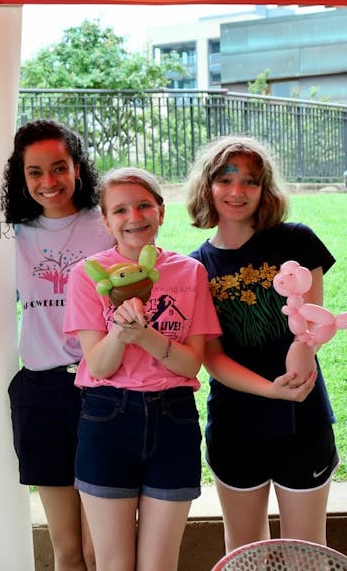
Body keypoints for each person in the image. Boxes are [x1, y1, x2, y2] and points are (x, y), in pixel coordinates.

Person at [63, 167, 221, 571]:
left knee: (159, 564)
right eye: (119, 210)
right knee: (114, 563)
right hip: (107, 416)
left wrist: (146, 334)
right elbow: (99, 364)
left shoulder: (190, 272)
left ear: (161, 211)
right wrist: (120, 330)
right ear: (105, 221)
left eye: (143, 205)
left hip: (174, 418)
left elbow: (191, 363)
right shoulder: (87, 276)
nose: (134, 217)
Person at [184, 135, 336, 552]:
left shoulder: (296, 240)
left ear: (264, 189)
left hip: (302, 416)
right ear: (207, 187)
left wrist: (300, 360)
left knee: (306, 550)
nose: (237, 191)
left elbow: (311, 325)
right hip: (236, 422)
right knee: (245, 551)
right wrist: (269, 390)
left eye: (250, 181)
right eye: (225, 179)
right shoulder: (196, 267)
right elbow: (211, 357)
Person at [0, 119, 114, 571]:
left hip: (104, 389)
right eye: (35, 172)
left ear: (78, 169)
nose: (49, 182)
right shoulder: (11, 236)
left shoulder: (107, 224)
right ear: (21, 176)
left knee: (98, 548)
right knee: (67, 550)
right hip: (41, 394)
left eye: (59, 167)